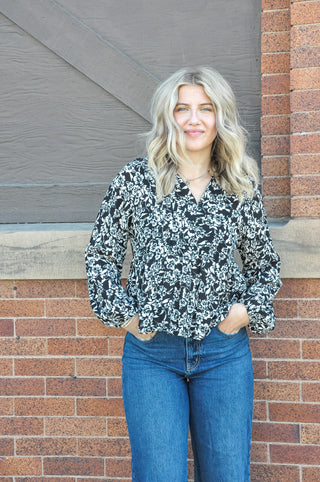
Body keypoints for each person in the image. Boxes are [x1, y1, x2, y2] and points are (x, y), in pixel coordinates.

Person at [85, 67, 282, 482]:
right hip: (152, 357)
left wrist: (243, 312)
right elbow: (101, 257)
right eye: (183, 108)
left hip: (223, 355)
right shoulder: (136, 180)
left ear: (219, 117)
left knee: (228, 475)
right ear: (168, 116)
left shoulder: (239, 183)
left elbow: (265, 266)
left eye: (205, 108)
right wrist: (128, 317)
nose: (194, 119)